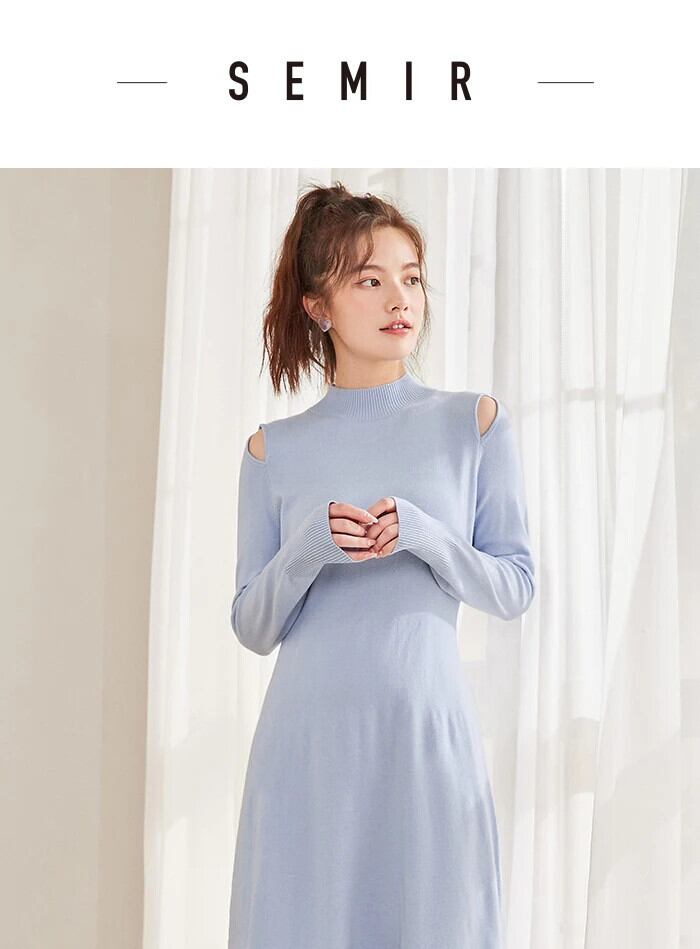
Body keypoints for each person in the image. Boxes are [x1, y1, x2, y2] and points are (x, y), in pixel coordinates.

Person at [228, 182, 535, 948]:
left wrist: (426, 535)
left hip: (425, 737)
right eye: (370, 280)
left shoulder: (472, 423)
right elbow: (253, 625)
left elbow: (515, 586)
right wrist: (309, 547)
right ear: (318, 306)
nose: (401, 299)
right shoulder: (272, 450)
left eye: (412, 277)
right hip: (307, 747)